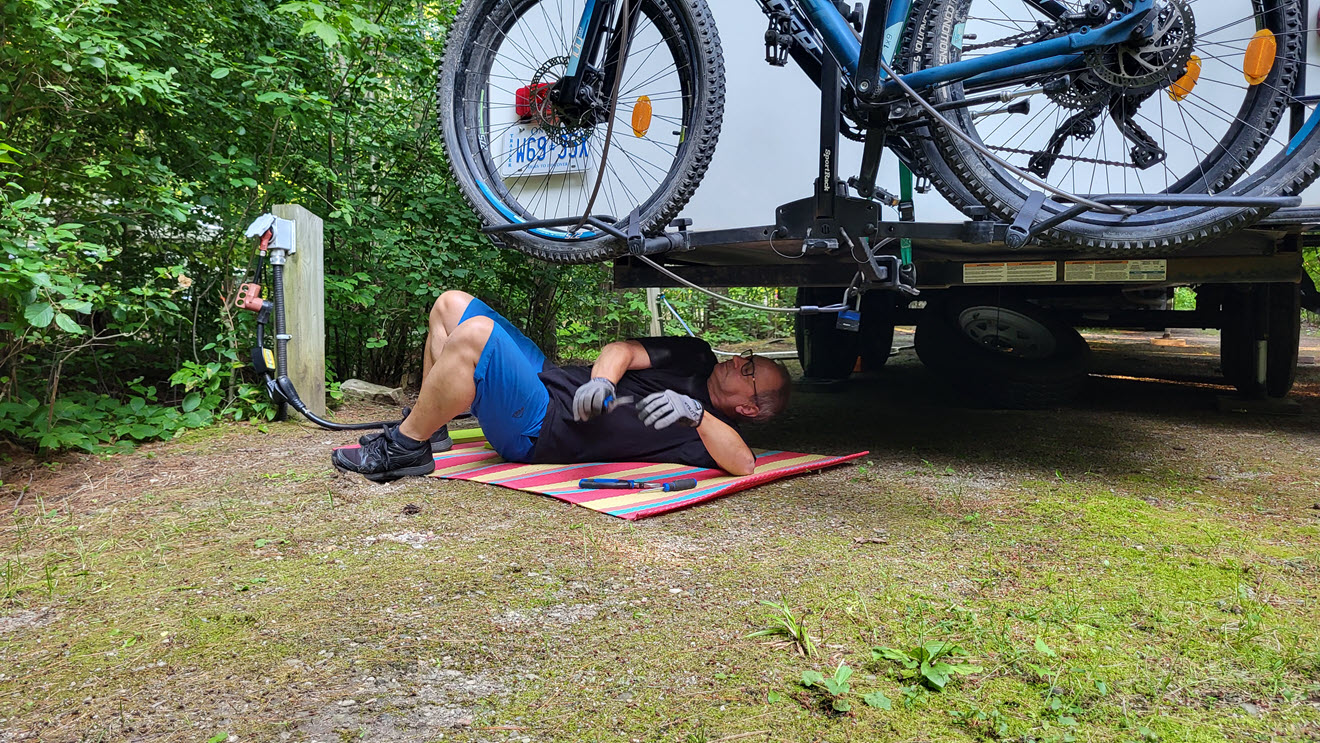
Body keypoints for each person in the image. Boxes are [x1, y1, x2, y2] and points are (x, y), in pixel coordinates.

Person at [333, 290, 792, 483]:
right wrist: (602, 381)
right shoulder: (697, 355)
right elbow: (623, 349)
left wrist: (695, 413)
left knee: (475, 337)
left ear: (749, 408)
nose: (740, 361)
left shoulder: (711, 434)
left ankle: (406, 449)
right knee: (451, 305)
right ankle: (432, 427)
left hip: (540, 427)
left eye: (749, 371)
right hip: (548, 379)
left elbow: (745, 464)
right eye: (748, 358)